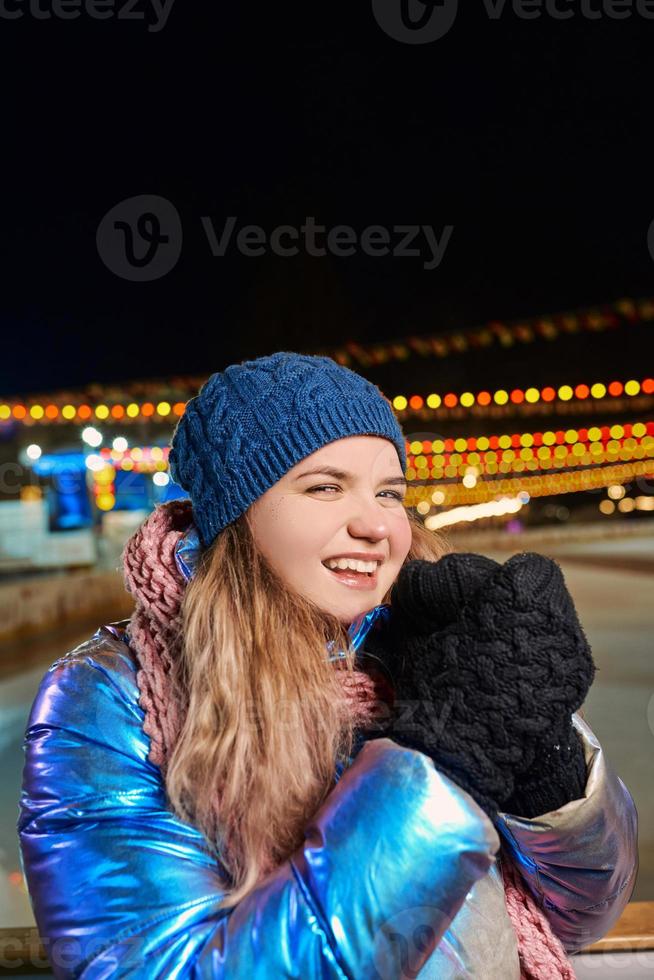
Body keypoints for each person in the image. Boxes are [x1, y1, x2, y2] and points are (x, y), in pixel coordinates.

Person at [17, 352, 638, 979]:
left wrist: (545, 759)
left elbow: (576, 914)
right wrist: (445, 768)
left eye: (389, 493)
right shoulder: (109, 698)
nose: (375, 524)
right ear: (240, 512)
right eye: (325, 486)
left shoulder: (434, 647)